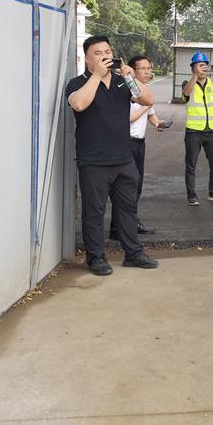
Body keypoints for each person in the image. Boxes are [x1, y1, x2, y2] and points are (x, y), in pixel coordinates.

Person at [65, 36, 159, 276]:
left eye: (107, 52)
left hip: (124, 159)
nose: (105, 56)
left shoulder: (122, 82)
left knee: (127, 209)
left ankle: (133, 253)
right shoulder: (78, 83)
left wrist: (130, 77)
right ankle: (96, 257)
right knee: (94, 212)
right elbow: (79, 104)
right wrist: (96, 76)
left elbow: (148, 100)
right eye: (98, 53)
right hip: (94, 161)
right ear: (87, 58)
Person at [108, 55, 166, 240]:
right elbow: (127, 118)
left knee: (136, 186)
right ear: (132, 70)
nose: (148, 72)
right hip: (127, 143)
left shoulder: (143, 91)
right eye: (144, 69)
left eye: (149, 68)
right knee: (127, 187)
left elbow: (151, 114)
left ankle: (125, 225)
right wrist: (146, 106)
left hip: (139, 143)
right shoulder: (126, 89)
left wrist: (158, 123)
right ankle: (123, 226)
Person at [182, 51, 213, 206]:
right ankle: (192, 195)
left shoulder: (212, 82)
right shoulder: (187, 82)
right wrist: (195, 76)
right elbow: (186, 93)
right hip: (193, 132)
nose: (202, 68)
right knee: (191, 165)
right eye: (199, 65)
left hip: (211, 131)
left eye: (204, 65)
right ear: (193, 68)